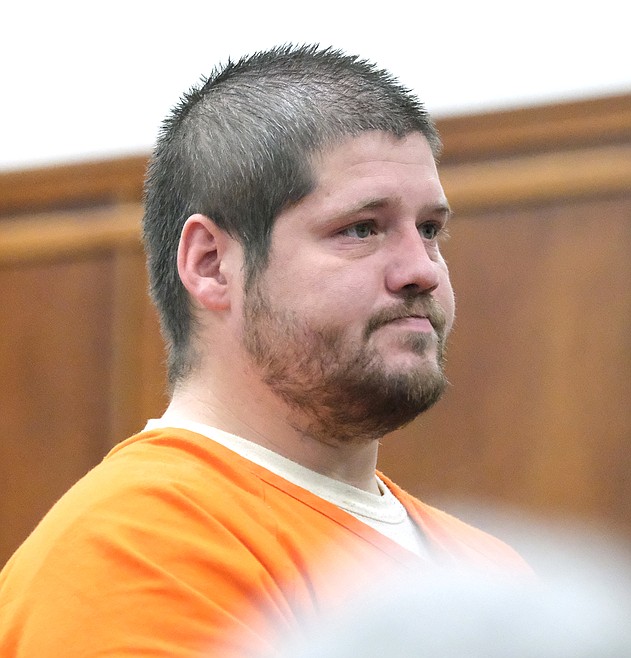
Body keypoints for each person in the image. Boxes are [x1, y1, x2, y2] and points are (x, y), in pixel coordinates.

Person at [0, 45, 529, 658]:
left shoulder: (491, 569)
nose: (422, 270)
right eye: (361, 228)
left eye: (430, 230)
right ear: (211, 264)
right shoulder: (135, 548)